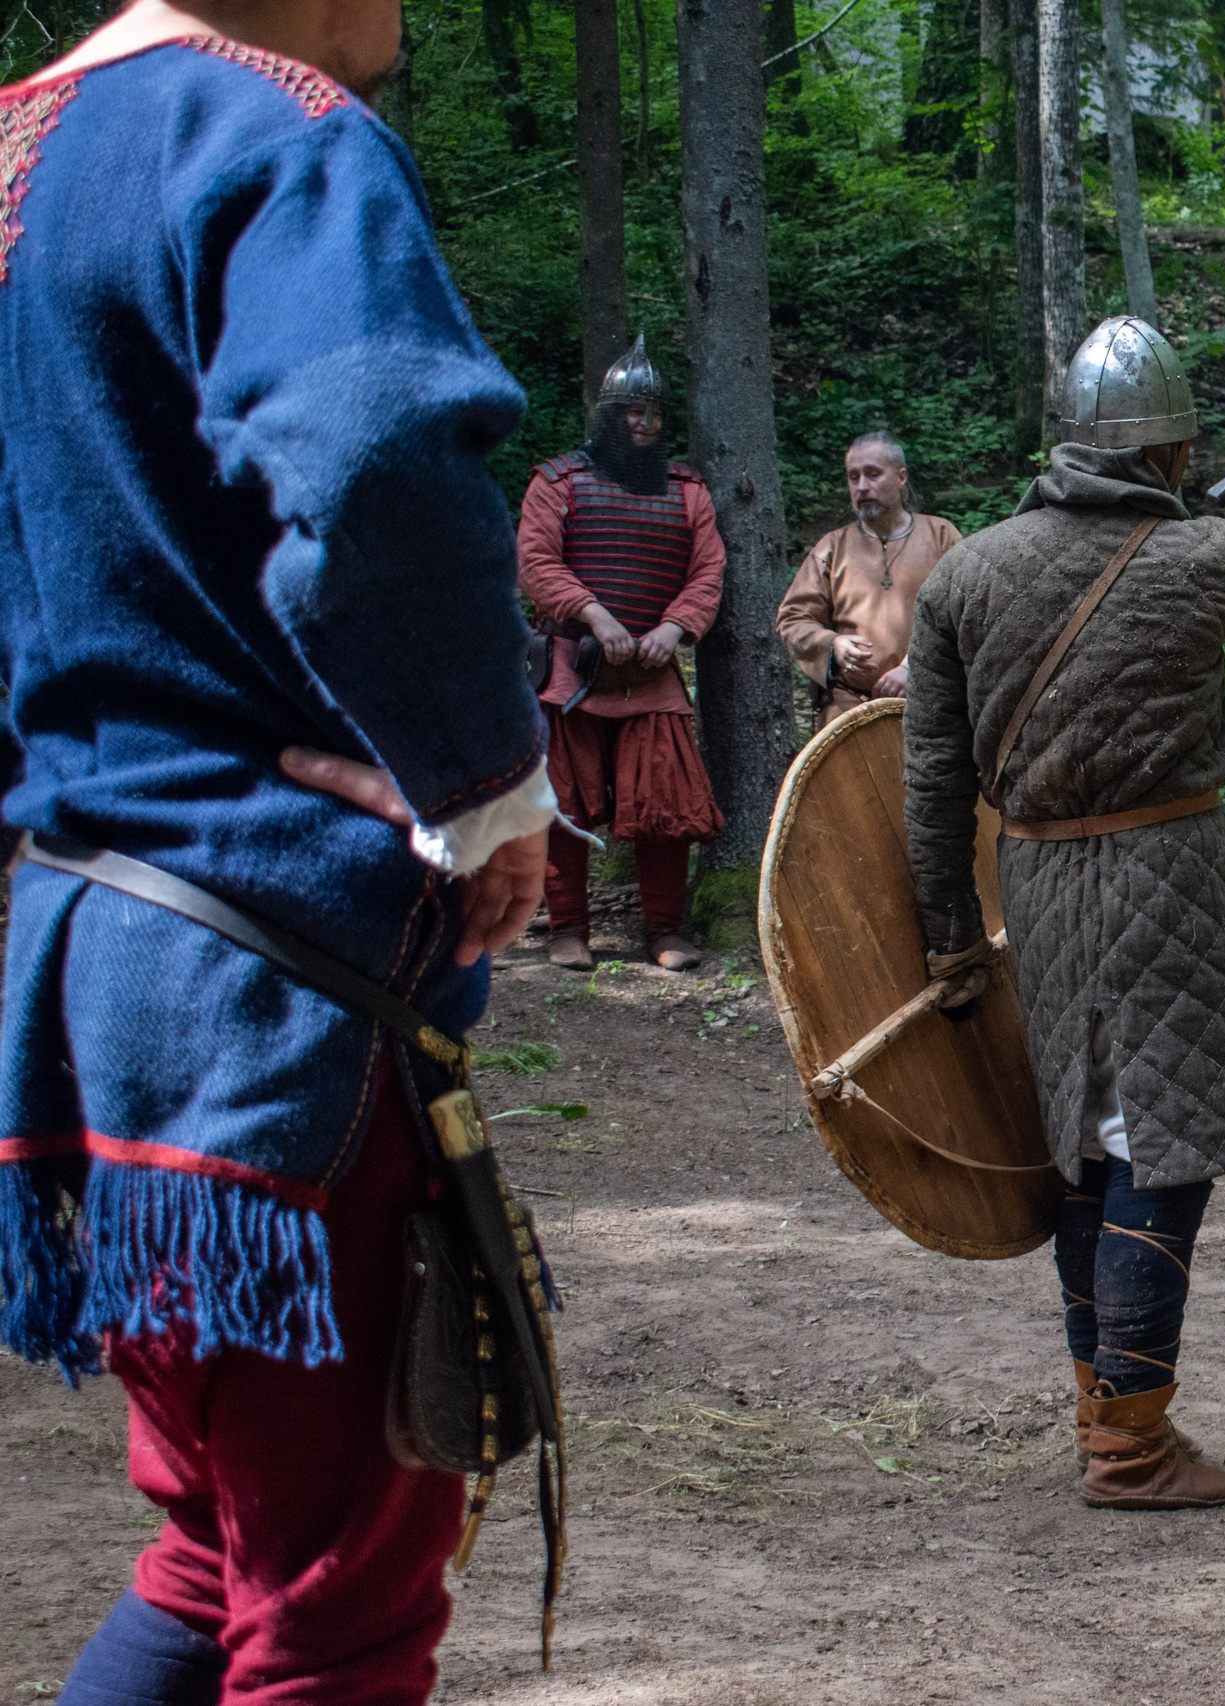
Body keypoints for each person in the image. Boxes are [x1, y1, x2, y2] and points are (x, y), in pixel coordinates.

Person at [0, 4, 554, 1700]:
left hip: (81, 977)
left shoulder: (18, 152)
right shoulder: (274, 135)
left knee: (215, 1554)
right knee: (338, 1611)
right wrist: (484, 784)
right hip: (268, 992)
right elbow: (376, 460)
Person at [903, 317, 1225, 1510]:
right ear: (1167, 451)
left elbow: (934, 785)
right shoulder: (1201, 556)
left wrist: (950, 933)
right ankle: (1130, 1445)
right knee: (1156, 1146)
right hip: (1170, 884)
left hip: (1042, 891)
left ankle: (1108, 1411)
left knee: (1091, 1149)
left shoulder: (963, 573)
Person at [516, 333, 727, 972]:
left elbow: (708, 570)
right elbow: (535, 560)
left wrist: (676, 627)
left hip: (652, 673)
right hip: (571, 669)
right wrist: (593, 612)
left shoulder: (688, 490)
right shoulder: (558, 481)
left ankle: (665, 930)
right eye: (633, 411)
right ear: (609, 414)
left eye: (654, 413)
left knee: (666, 806)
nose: (644, 423)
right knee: (562, 805)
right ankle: (568, 930)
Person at [775, 433, 962, 725]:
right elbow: (793, 619)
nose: (862, 486)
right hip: (848, 713)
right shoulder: (833, 547)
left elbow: (963, 614)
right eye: (853, 477)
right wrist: (832, 645)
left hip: (929, 708)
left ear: (901, 477)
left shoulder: (941, 536)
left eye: (873, 474)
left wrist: (914, 666)